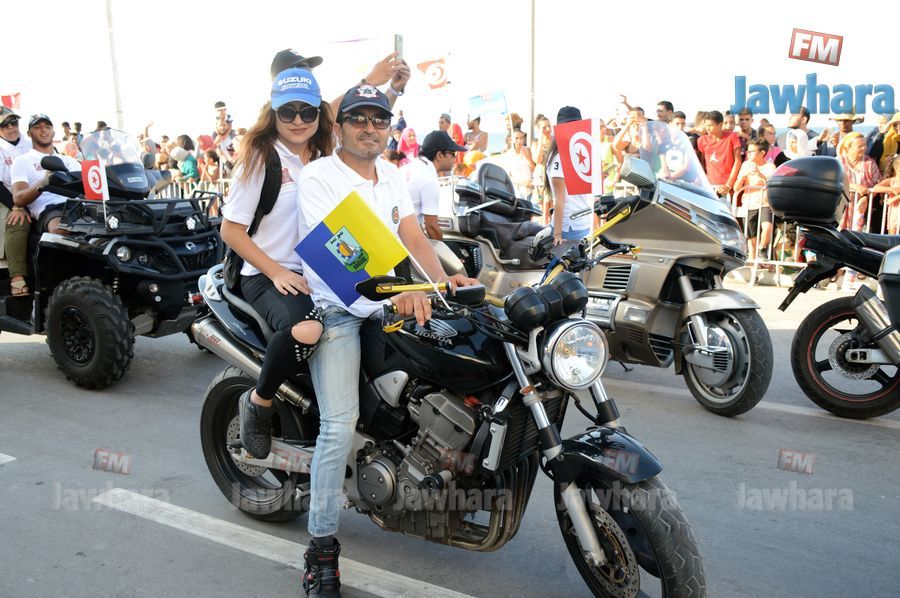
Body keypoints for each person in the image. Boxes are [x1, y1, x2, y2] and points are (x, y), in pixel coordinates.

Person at [294, 83, 477, 597]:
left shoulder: (392, 175)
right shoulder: (319, 176)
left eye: (379, 119)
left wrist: (441, 281)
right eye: (359, 118)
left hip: (394, 300)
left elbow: (413, 237)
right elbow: (338, 251)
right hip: (339, 309)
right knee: (338, 423)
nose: (370, 127)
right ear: (339, 127)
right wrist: (395, 294)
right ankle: (320, 552)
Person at [220, 68, 333, 548]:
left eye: (308, 110)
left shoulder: (325, 158)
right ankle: (259, 403)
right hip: (266, 274)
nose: (299, 119)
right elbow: (231, 230)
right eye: (289, 111)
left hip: (321, 272)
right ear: (274, 112)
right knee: (308, 329)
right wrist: (275, 272)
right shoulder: (262, 158)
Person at [9, 114, 81, 290]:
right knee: (61, 228)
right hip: (50, 209)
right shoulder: (22, 161)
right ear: (29, 133)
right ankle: (59, 287)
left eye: (47, 127)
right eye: (37, 127)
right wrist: (44, 183)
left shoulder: (70, 160)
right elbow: (18, 197)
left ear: (53, 132)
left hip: (80, 205)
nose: (43, 131)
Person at [402, 130, 464, 240]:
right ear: (439, 155)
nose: (455, 158)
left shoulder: (414, 165)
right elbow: (431, 227)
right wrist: (444, 249)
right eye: (453, 154)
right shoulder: (429, 179)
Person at [546, 106, 593, 244]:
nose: (574, 129)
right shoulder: (559, 158)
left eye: (577, 124)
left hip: (582, 222)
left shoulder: (576, 152)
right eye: (570, 125)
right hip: (570, 227)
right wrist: (557, 234)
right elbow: (560, 199)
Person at [0, 107, 33, 296]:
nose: (11, 127)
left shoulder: (30, 143)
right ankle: (17, 278)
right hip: (8, 197)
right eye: (5, 125)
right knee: (17, 221)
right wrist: (17, 205)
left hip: (37, 195)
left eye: (14, 122)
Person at [734, 138, 777, 260]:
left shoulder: (770, 166)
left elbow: (772, 184)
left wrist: (759, 174)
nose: (748, 154)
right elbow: (736, 188)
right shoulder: (745, 165)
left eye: (752, 151)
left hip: (765, 203)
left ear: (762, 153)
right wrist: (742, 177)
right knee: (752, 238)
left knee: (767, 227)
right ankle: (753, 263)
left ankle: (762, 248)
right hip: (749, 204)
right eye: (748, 151)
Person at [697, 110, 742, 200]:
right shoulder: (702, 140)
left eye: (711, 125)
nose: (707, 128)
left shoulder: (732, 137)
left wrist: (728, 184)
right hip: (709, 187)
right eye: (706, 125)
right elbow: (701, 162)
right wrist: (704, 181)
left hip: (727, 187)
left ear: (720, 125)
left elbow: (738, 161)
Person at [871, 154, 900, 234]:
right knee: (892, 234)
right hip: (894, 211)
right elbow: (876, 188)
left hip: (895, 206)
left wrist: (895, 198)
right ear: (897, 169)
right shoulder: (891, 181)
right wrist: (892, 189)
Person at [502, 128, 535, 199]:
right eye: (516, 138)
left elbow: (534, 170)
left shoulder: (528, 150)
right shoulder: (508, 155)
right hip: (517, 191)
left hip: (531, 190)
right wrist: (523, 183)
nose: (519, 141)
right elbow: (507, 176)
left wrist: (528, 158)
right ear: (511, 140)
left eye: (521, 138)